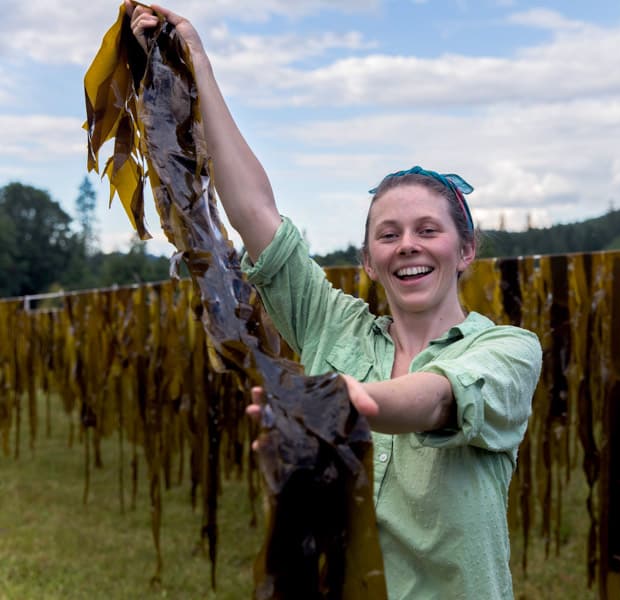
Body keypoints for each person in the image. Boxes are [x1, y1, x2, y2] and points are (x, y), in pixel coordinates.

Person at [127, 4, 542, 598]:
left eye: (429, 230)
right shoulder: (331, 327)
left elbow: (441, 397)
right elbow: (256, 213)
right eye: (388, 235)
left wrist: (349, 402)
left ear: (465, 249)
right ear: (369, 261)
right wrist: (197, 63)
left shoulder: (507, 350)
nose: (408, 246)